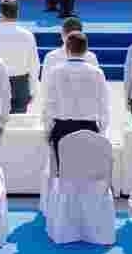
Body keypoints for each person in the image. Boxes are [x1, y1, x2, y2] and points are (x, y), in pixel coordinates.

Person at [42, 32, 109, 172]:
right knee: (87, 172)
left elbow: (49, 104)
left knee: (63, 172)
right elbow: (103, 104)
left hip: (62, 127)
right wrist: (102, 130)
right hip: (89, 127)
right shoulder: (97, 73)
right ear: (86, 50)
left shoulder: (55, 72)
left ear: (66, 48)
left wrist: (47, 130)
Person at [0, 0, 40, 113]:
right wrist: (33, 89)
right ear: (17, 13)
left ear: (0, 14)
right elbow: (34, 65)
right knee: (19, 122)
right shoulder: (27, 35)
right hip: (20, 85)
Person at [41, 17, 99, 83]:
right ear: (81, 34)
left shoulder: (51, 57)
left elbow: (45, 85)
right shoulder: (91, 57)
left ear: (62, 34)